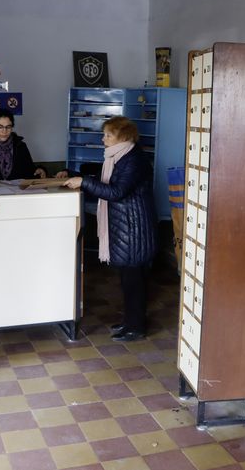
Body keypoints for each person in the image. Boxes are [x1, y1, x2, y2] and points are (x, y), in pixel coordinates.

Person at [64, 116, 157, 342]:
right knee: (127, 279)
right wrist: (75, 177)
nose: (103, 138)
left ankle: (136, 327)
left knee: (133, 280)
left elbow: (116, 192)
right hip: (126, 226)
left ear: (123, 137)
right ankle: (130, 322)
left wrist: (84, 182)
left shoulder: (133, 159)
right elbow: (106, 183)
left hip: (134, 228)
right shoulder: (119, 157)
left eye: (108, 135)